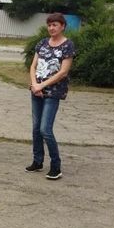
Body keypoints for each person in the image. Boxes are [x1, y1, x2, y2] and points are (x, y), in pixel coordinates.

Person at [26, 13, 76, 180]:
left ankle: (56, 166)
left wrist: (42, 85)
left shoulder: (67, 45)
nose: (51, 28)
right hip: (36, 91)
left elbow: (63, 72)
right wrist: (34, 85)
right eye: (49, 25)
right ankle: (37, 161)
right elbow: (33, 66)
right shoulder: (42, 43)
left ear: (62, 26)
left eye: (55, 25)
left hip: (52, 93)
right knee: (35, 128)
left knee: (45, 129)